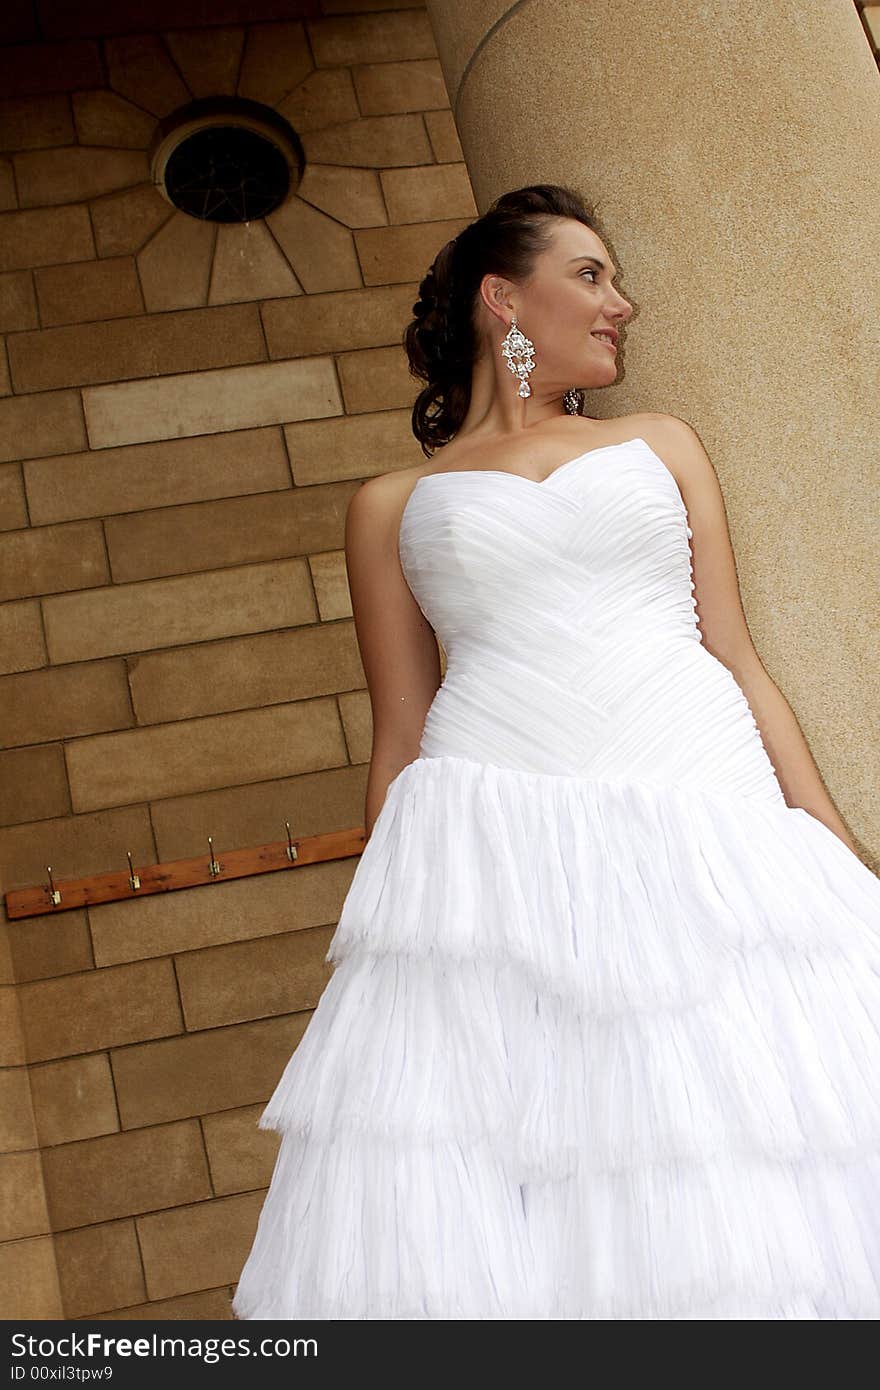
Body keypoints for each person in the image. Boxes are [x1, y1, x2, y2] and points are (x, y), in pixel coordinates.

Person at [231, 184, 880, 1320]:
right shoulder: (390, 505)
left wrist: (829, 843)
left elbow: (734, 652)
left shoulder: (658, 442)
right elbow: (399, 729)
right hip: (495, 831)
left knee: (748, 1106)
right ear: (502, 297)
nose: (619, 302)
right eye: (589, 274)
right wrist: (395, 937)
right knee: (529, 1148)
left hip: (699, 789)